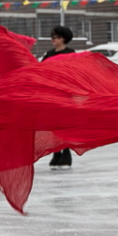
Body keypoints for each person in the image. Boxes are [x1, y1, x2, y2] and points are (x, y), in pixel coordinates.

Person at [41, 25, 76, 168]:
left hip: (65, 93)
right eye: (52, 37)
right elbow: (39, 70)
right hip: (51, 93)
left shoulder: (70, 53)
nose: (52, 40)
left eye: (55, 37)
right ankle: (56, 152)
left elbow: (74, 72)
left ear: (63, 39)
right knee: (53, 124)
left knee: (64, 124)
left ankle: (66, 152)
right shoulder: (49, 54)